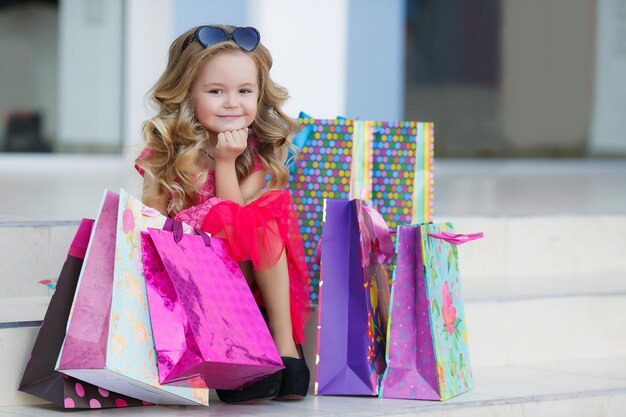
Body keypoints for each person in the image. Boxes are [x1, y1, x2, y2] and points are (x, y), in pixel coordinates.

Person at [134, 24, 311, 403]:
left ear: (260, 94)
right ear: (187, 93)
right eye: (216, 91)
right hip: (189, 272)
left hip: (244, 267)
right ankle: (240, 353)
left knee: (264, 218)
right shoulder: (165, 154)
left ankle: (285, 348)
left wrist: (228, 162)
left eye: (244, 91)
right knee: (230, 219)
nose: (233, 103)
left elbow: (236, 219)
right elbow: (149, 221)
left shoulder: (259, 152)